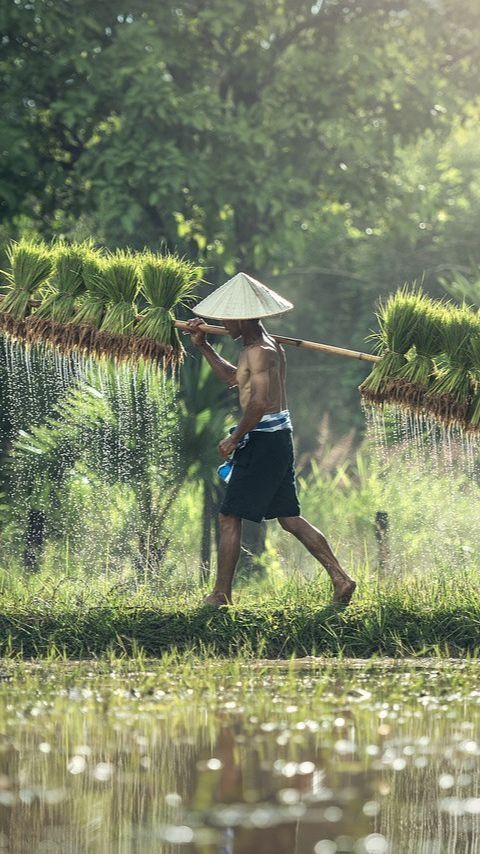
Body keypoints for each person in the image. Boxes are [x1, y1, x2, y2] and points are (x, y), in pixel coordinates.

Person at [185, 272, 356, 608]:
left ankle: (221, 594)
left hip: (264, 439)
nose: (222, 322)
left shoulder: (262, 351)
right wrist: (203, 345)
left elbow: (260, 404)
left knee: (228, 516)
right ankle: (341, 578)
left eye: (226, 317)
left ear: (243, 318)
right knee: (289, 518)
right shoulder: (257, 347)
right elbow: (235, 379)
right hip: (274, 437)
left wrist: (235, 437)